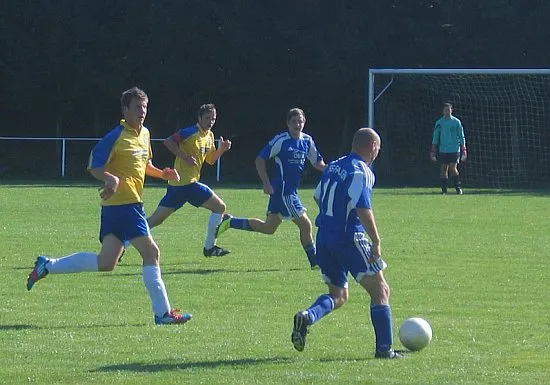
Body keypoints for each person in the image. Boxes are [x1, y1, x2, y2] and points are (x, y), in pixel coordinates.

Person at [26, 87, 192, 325]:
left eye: (145, 107)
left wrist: (164, 174)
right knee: (151, 252)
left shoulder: (145, 134)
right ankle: (163, 313)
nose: (142, 111)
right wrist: (111, 179)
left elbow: (145, 165)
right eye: (137, 107)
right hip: (127, 206)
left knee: (106, 263)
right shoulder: (116, 135)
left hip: (118, 207)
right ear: (125, 109)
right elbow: (94, 164)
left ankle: (48, 266)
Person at [291, 127, 404, 359]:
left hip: (324, 237)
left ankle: (307, 316)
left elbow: (317, 196)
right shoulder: (362, 170)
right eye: (378, 149)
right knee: (380, 289)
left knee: (338, 295)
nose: (377, 154)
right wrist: (376, 240)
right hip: (349, 237)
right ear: (373, 146)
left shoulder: (334, 165)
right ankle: (385, 350)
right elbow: (363, 207)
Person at [216, 108, 326, 269]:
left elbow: (317, 163)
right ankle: (315, 262)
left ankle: (231, 222)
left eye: (300, 121)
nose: (298, 124)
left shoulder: (307, 141)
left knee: (269, 228)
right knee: (306, 225)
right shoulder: (281, 140)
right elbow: (260, 159)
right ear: (288, 123)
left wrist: (333, 169)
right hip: (283, 191)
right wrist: (266, 182)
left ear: (304, 122)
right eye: (294, 121)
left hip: (289, 191)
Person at [147, 103, 232, 257]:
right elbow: (168, 141)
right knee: (219, 207)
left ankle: (124, 239)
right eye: (207, 118)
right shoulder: (190, 132)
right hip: (183, 185)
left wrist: (222, 149)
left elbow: (211, 160)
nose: (210, 122)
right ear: (199, 118)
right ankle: (209, 248)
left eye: (213, 119)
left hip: (186, 186)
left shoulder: (209, 136)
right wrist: (185, 157)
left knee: (155, 220)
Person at [430, 103, 467, 194]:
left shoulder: (456, 122)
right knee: (443, 169)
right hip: (443, 149)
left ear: (451, 110)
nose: (447, 111)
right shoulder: (439, 123)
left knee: (453, 168)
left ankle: (458, 188)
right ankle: (444, 190)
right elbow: (436, 136)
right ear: (443, 111)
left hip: (454, 149)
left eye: (448, 110)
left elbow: (461, 136)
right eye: (445, 110)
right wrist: (433, 150)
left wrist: (464, 149)